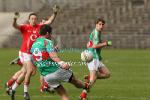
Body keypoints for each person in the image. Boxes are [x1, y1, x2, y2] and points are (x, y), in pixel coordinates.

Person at [7, 5, 59, 100]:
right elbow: (15, 25)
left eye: (35, 18)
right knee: (29, 70)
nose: (34, 20)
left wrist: (55, 13)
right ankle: (25, 93)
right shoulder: (25, 27)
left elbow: (50, 21)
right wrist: (15, 19)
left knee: (29, 72)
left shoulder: (40, 27)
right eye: (32, 18)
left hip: (33, 54)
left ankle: (12, 89)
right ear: (29, 20)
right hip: (24, 53)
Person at [30, 25, 89, 100]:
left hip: (47, 77)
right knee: (75, 81)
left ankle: (85, 89)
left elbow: (38, 57)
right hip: (56, 70)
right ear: (47, 33)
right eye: (51, 34)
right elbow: (52, 55)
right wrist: (61, 62)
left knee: (64, 95)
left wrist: (53, 49)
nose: (51, 36)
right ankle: (86, 86)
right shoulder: (47, 41)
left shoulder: (34, 44)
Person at [79, 17, 112, 99]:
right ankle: (83, 95)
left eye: (103, 24)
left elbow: (90, 43)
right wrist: (106, 43)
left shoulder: (96, 32)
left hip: (96, 58)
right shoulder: (96, 33)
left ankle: (90, 78)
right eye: (99, 24)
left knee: (107, 74)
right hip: (92, 58)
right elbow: (94, 46)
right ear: (96, 24)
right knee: (93, 79)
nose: (101, 26)